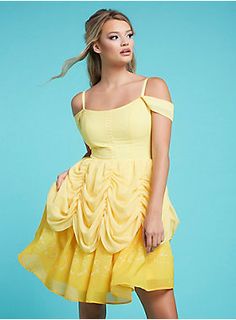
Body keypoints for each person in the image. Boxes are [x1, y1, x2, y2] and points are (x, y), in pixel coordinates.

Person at [18, 8, 180, 319]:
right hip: (91, 205)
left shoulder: (153, 86)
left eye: (129, 35)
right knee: (90, 305)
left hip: (138, 202)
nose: (125, 43)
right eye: (114, 37)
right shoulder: (81, 101)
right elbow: (96, 150)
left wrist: (155, 213)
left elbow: (161, 153)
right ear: (96, 45)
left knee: (159, 298)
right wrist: (74, 168)